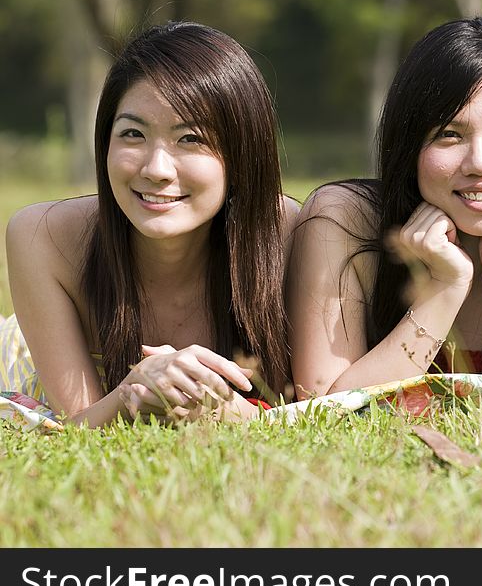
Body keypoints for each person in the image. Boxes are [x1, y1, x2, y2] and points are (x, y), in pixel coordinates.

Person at [3, 21, 298, 426]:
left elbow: (314, 409)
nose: (157, 169)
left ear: (242, 154)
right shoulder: (44, 236)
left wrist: (226, 409)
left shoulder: (287, 235)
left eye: (190, 139)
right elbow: (75, 429)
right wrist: (132, 392)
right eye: (132, 134)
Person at [288, 16, 482, 399]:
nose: (481, 162)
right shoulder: (346, 219)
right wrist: (445, 288)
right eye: (449, 135)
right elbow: (322, 408)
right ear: (409, 146)